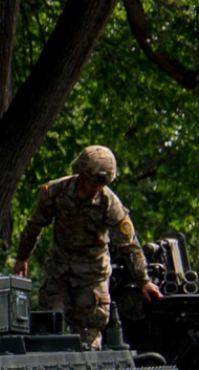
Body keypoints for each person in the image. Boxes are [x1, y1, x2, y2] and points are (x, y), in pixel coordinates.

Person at [13, 144, 161, 349]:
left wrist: (143, 280)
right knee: (50, 326)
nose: (95, 188)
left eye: (100, 184)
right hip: (59, 270)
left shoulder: (110, 204)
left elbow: (129, 246)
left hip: (92, 275)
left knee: (89, 334)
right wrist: (22, 258)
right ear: (81, 174)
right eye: (91, 182)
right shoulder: (56, 192)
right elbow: (35, 225)